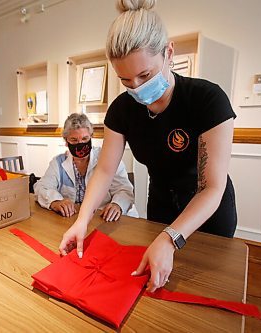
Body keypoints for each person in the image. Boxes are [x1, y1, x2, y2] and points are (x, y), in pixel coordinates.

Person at [59, 0, 237, 293]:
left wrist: (170, 238)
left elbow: (212, 188)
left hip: (207, 212)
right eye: (126, 80)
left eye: (145, 75)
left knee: (205, 289)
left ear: (169, 52)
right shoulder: (121, 110)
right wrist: (82, 219)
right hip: (161, 205)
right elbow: (105, 171)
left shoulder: (207, 100)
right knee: (157, 291)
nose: (137, 88)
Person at [34, 113, 137, 222]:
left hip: (104, 219)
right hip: (73, 220)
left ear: (91, 137)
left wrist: (117, 205)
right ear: (66, 141)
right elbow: (41, 187)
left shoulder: (107, 157)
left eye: (85, 138)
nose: (80, 143)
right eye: (74, 140)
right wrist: (55, 201)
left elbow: (125, 189)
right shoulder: (58, 162)